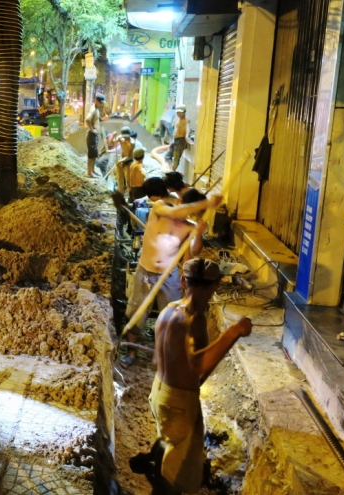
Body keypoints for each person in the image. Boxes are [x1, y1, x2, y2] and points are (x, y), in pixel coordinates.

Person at [147, 257, 252, 494]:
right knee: (175, 477)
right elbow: (198, 365)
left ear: (183, 282)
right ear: (216, 285)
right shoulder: (193, 319)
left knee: (168, 455)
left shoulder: (169, 309)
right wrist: (234, 331)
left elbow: (182, 362)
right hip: (178, 404)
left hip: (160, 392)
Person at [122, 182, 222, 366]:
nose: (188, 215)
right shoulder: (161, 208)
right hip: (145, 271)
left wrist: (198, 234)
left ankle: (163, 355)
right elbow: (176, 213)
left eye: (193, 213)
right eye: (188, 209)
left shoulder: (189, 226)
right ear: (180, 203)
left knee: (171, 317)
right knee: (136, 311)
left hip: (169, 276)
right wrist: (207, 203)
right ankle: (131, 352)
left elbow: (193, 253)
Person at [85, 95, 106, 177]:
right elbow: (87, 119)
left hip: (94, 135)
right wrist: (92, 130)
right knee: (91, 155)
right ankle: (89, 173)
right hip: (91, 135)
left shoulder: (97, 109)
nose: (102, 105)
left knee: (94, 154)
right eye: (100, 103)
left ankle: (92, 171)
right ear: (96, 101)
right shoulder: (93, 109)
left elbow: (95, 120)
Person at [171, 105, 192, 173]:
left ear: (184, 112)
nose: (178, 114)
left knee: (176, 157)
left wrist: (187, 136)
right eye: (177, 112)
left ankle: (172, 173)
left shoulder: (186, 120)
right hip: (176, 140)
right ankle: (172, 171)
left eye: (180, 112)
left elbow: (188, 129)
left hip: (181, 140)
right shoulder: (179, 119)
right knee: (171, 156)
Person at [115, 126, 135, 194]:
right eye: (124, 136)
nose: (125, 138)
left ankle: (130, 196)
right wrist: (114, 136)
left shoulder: (132, 143)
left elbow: (129, 156)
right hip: (121, 160)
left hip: (128, 161)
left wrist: (121, 161)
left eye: (127, 136)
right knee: (120, 179)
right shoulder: (121, 139)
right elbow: (112, 143)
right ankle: (121, 194)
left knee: (128, 181)